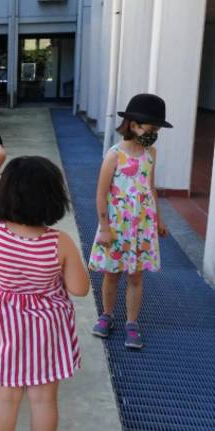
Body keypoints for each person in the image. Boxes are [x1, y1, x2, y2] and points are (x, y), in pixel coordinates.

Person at [0, 156, 90, 431]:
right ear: (51, 198)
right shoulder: (59, 242)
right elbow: (80, 288)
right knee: (43, 399)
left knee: (5, 397)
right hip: (47, 325)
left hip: (5, 321)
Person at [89, 93, 172, 349]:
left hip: (142, 226)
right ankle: (107, 315)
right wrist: (104, 227)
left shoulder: (151, 154)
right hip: (116, 226)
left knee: (136, 276)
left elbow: (151, 187)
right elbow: (101, 194)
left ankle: (132, 323)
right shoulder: (114, 154)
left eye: (157, 129)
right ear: (134, 124)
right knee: (112, 273)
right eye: (151, 128)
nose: (154, 133)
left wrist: (158, 218)